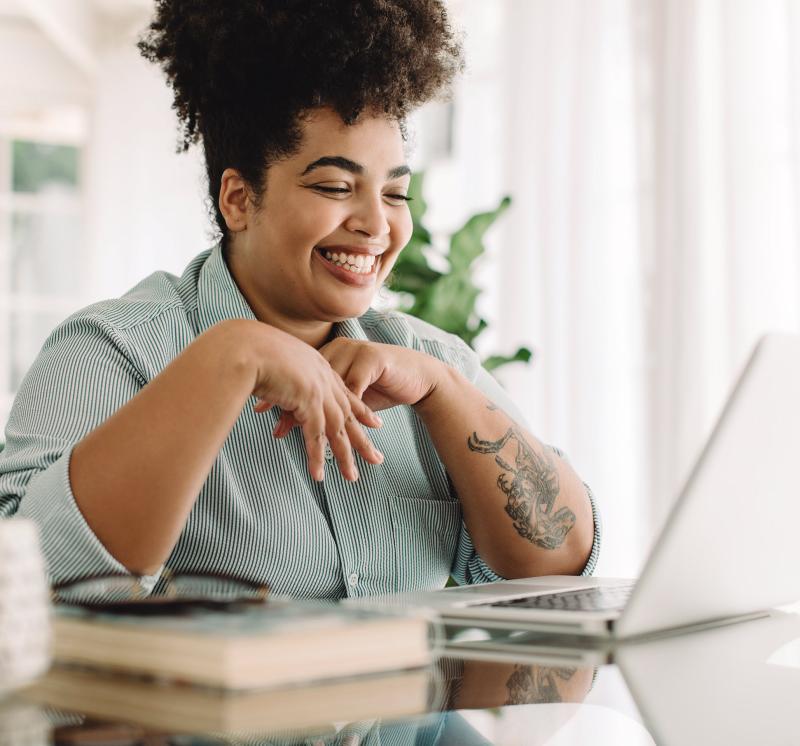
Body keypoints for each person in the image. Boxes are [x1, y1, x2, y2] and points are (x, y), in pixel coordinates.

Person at [0, 0, 600, 598]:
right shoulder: (109, 353)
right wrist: (230, 356)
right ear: (237, 199)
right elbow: (29, 584)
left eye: (396, 194)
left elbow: (560, 566)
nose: (376, 224)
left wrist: (445, 395)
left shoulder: (427, 361)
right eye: (336, 186)